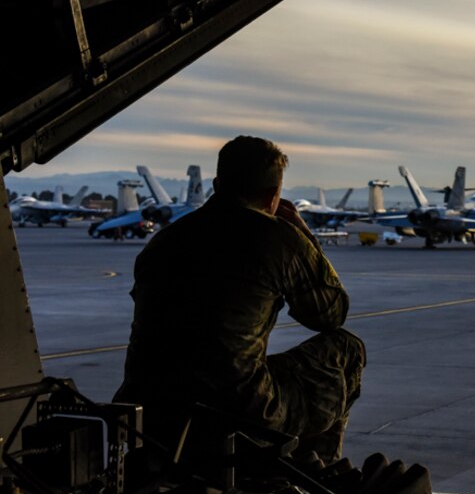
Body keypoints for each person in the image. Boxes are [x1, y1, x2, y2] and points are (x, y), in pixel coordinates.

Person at [114, 136, 365, 464]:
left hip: (148, 404)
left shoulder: (165, 240)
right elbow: (330, 315)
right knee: (346, 348)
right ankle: (317, 477)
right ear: (274, 194)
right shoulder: (278, 237)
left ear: (217, 184)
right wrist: (305, 236)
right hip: (237, 409)